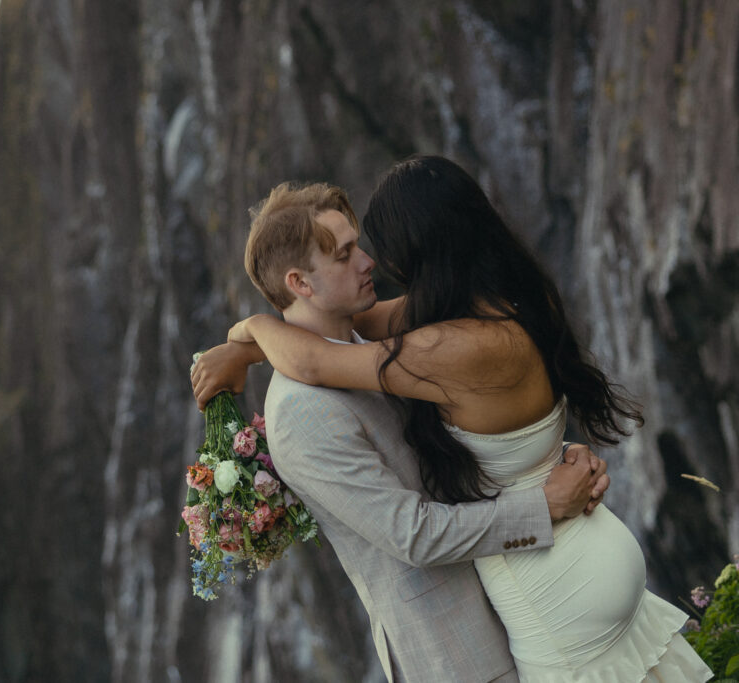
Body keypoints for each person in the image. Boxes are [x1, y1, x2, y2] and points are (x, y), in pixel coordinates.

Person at [205, 156, 712, 681]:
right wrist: (543, 489)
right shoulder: (305, 411)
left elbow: (317, 355)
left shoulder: (428, 340)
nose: (372, 262)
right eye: (347, 253)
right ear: (300, 283)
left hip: (553, 598)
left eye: (366, 246)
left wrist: (253, 331)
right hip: (470, 646)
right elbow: (412, 534)